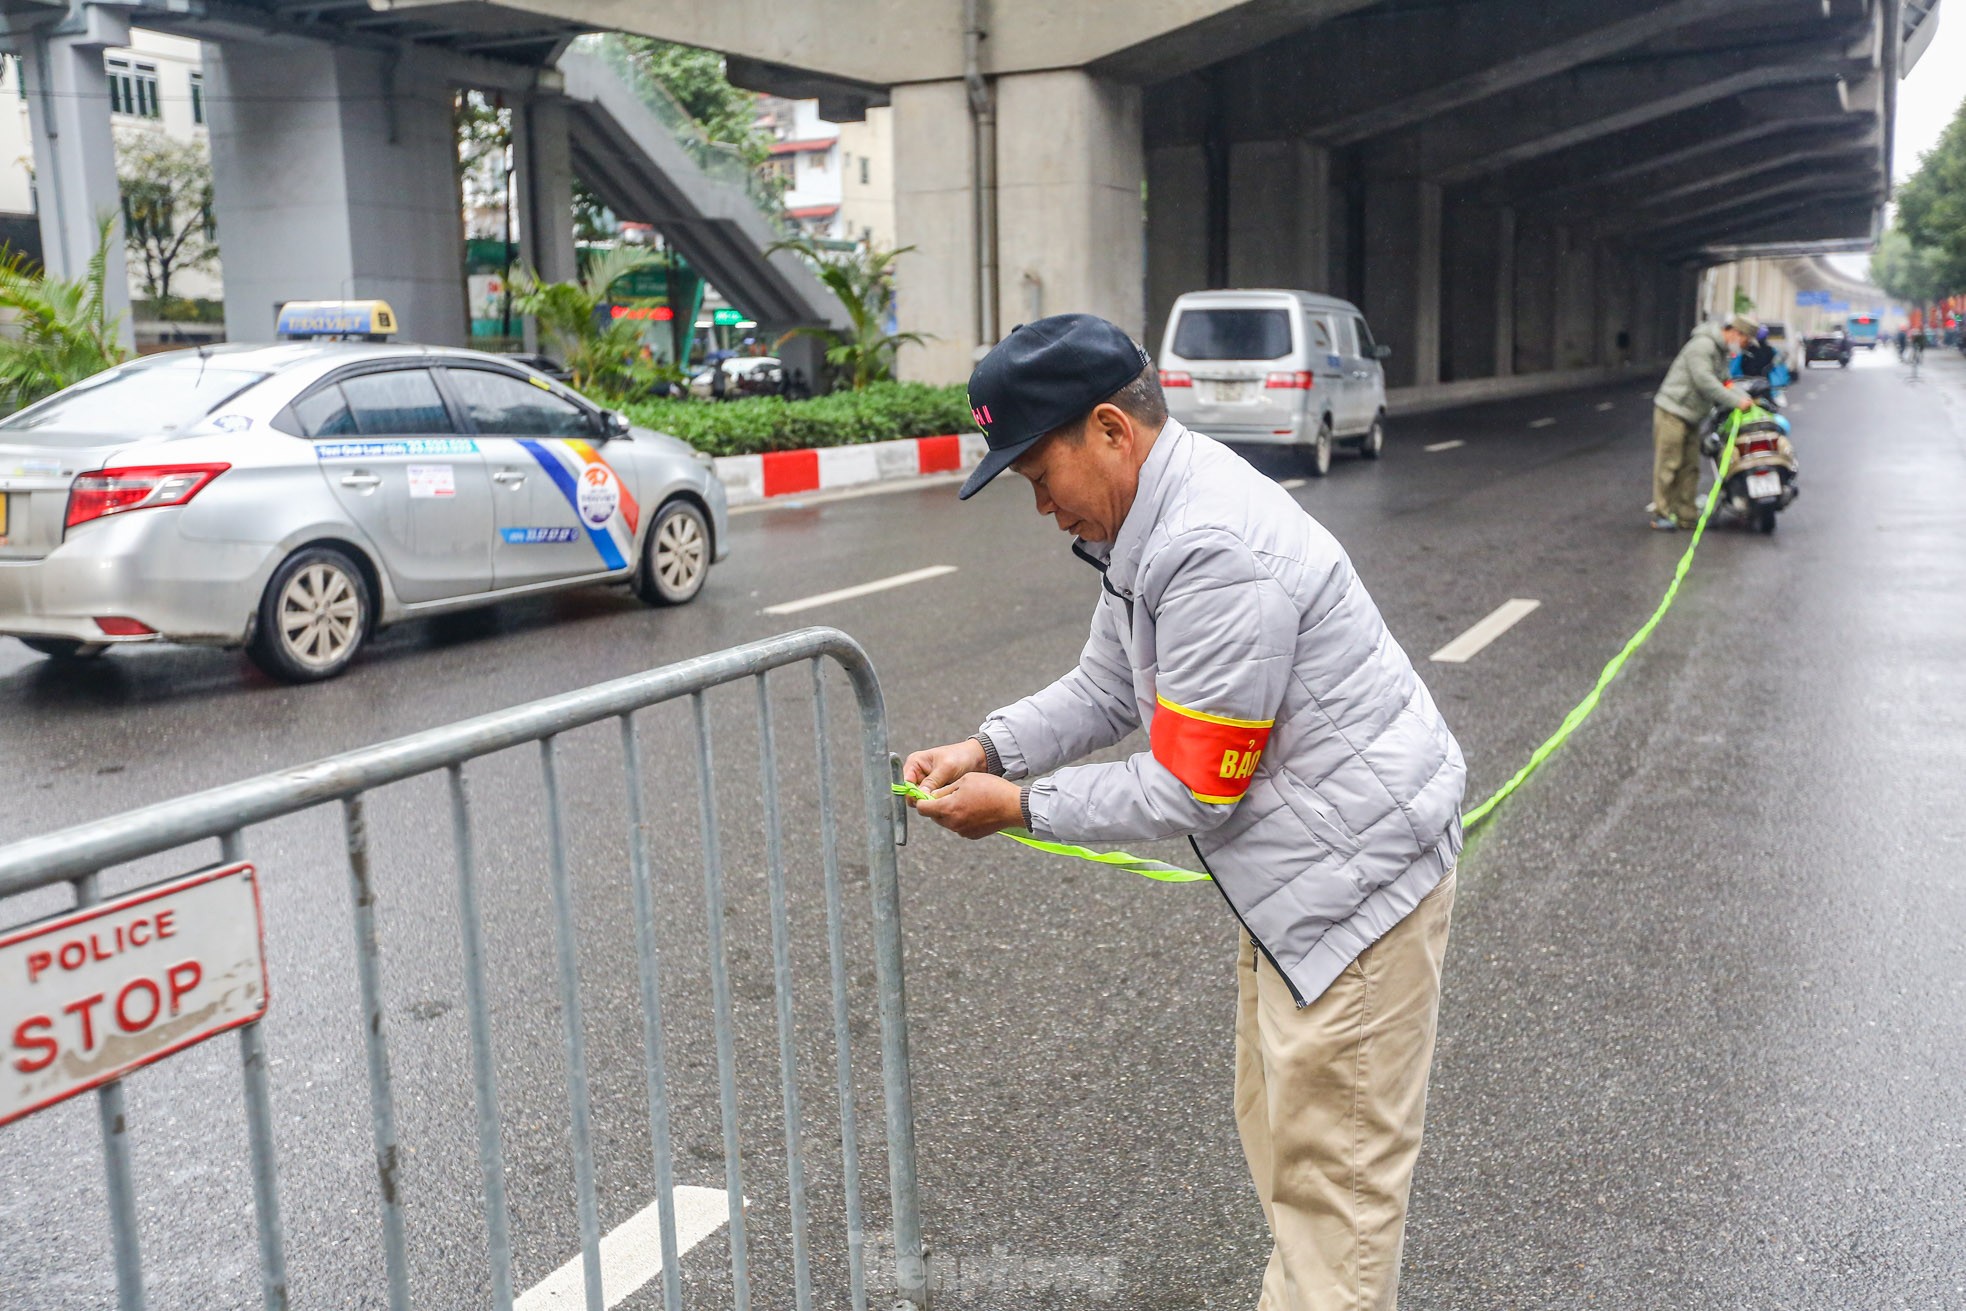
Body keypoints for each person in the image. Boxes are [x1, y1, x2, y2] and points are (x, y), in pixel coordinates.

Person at [904, 313, 1466, 1311]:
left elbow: (1192, 785)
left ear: (1111, 431)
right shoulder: (1150, 517)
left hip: (1353, 896)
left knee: (1335, 1201)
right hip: (1304, 885)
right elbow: (1108, 689)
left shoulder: (1207, 547)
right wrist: (987, 748)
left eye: (1040, 477)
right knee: (1292, 1160)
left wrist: (1018, 806)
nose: (1041, 508)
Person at [1651, 314, 1754, 531]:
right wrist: (1736, 401)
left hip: (1692, 415)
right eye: (1745, 341)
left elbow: (1725, 382)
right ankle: (1662, 513)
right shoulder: (1702, 346)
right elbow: (1705, 381)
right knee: (1669, 464)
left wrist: (1746, 398)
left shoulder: (1721, 352)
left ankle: (1686, 515)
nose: (1744, 346)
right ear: (1736, 333)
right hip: (1673, 411)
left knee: (1690, 467)